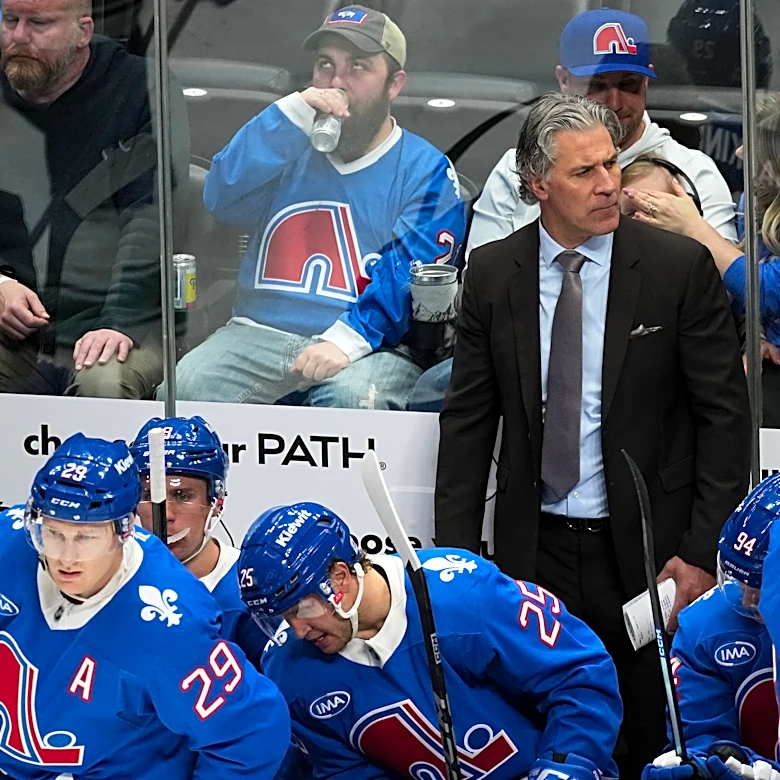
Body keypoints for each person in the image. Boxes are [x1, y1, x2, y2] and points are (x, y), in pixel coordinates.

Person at [435, 93, 750, 777]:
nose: (609, 184)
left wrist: (701, 552)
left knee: (650, 737)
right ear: (536, 184)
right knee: (536, 732)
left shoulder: (676, 269)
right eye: (585, 173)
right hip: (533, 550)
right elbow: (466, 425)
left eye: (612, 164)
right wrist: (456, 565)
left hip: (648, 555)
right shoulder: (492, 274)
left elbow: (726, 420)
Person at [171, 5, 465, 411]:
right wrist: (287, 117)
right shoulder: (286, 142)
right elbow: (221, 198)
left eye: (358, 67)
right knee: (186, 388)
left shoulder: (425, 169)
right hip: (257, 333)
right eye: (325, 64)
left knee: (352, 401)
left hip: (371, 344)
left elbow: (412, 271)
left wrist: (346, 340)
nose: (337, 82)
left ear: (394, 84)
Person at [238, 501, 623, 780]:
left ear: (340, 577)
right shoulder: (291, 670)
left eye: (302, 609)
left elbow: (580, 676)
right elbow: (343, 769)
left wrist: (564, 767)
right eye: (282, 617)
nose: (298, 630)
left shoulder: (466, 598)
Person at [0, 433, 289, 779]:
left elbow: (253, 731)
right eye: (53, 533)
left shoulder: (170, 623)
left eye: (86, 538)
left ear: (124, 531)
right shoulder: (9, 543)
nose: (65, 556)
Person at [0, 0, 188, 398]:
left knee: (103, 382)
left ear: (83, 32)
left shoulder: (140, 87)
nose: (18, 36)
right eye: (10, 20)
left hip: (121, 315)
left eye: (38, 23)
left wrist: (119, 321)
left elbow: (151, 219)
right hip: (15, 317)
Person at [467, 8, 736, 259]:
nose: (615, 102)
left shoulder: (693, 171)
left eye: (628, 85)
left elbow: (723, 293)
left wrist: (689, 231)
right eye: (597, 85)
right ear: (564, 80)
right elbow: (478, 287)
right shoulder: (519, 169)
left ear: (647, 80)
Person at [624, 93, 780, 426]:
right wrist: (758, 334)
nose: (739, 151)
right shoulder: (757, 212)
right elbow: (747, 302)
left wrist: (693, 226)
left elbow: (767, 290)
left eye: (753, 143)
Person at [642, 476, 780, 780]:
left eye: (760, 585)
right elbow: (705, 742)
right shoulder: (705, 629)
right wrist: (705, 767)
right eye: (740, 582)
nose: (746, 598)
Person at [129, 415, 267, 669]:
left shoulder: (249, 592)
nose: (165, 514)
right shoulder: (114, 581)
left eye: (182, 495)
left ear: (217, 502)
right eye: (149, 496)